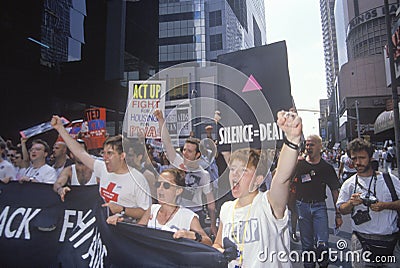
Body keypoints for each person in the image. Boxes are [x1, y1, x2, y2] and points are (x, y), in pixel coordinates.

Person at [212, 110, 302, 267]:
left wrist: (292, 139)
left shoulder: (268, 204)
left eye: (244, 171)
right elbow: (217, 244)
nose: (235, 175)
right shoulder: (226, 209)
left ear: (259, 180)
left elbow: (282, 177)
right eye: (233, 169)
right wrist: (219, 251)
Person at [51, 115, 151, 221]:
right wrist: (60, 129)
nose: (105, 157)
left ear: (122, 156)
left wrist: (122, 209)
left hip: (123, 232)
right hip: (101, 228)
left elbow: (146, 212)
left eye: (110, 153)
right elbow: (79, 152)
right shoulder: (102, 168)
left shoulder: (138, 179)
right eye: (104, 153)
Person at [337, 138, 400, 268]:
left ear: (371, 158)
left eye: (362, 158)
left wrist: (385, 205)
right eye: (354, 159)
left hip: (391, 241)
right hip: (361, 240)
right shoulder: (349, 184)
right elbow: (341, 209)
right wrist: (351, 203)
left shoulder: (390, 180)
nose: (358, 162)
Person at [108, 168, 212, 246]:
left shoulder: (188, 217)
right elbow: (137, 230)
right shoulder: (152, 209)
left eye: (166, 186)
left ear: (178, 190)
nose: (160, 189)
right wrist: (122, 222)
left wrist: (193, 236)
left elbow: (208, 243)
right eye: (158, 185)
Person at [154, 109, 217, 237]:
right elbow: (167, 142)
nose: (184, 153)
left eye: (189, 151)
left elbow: (210, 202)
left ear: (197, 155)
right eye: (184, 149)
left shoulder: (203, 175)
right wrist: (161, 120)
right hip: (174, 211)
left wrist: (212, 224)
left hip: (194, 214)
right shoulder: (176, 161)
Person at [292, 134, 342, 268]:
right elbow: (286, 181)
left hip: (319, 207)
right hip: (302, 206)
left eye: (312, 144)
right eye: (307, 144)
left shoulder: (326, 168)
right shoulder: (299, 164)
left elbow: (335, 191)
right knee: (307, 245)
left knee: (322, 243)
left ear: (320, 147)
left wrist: (338, 214)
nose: (308, 147)